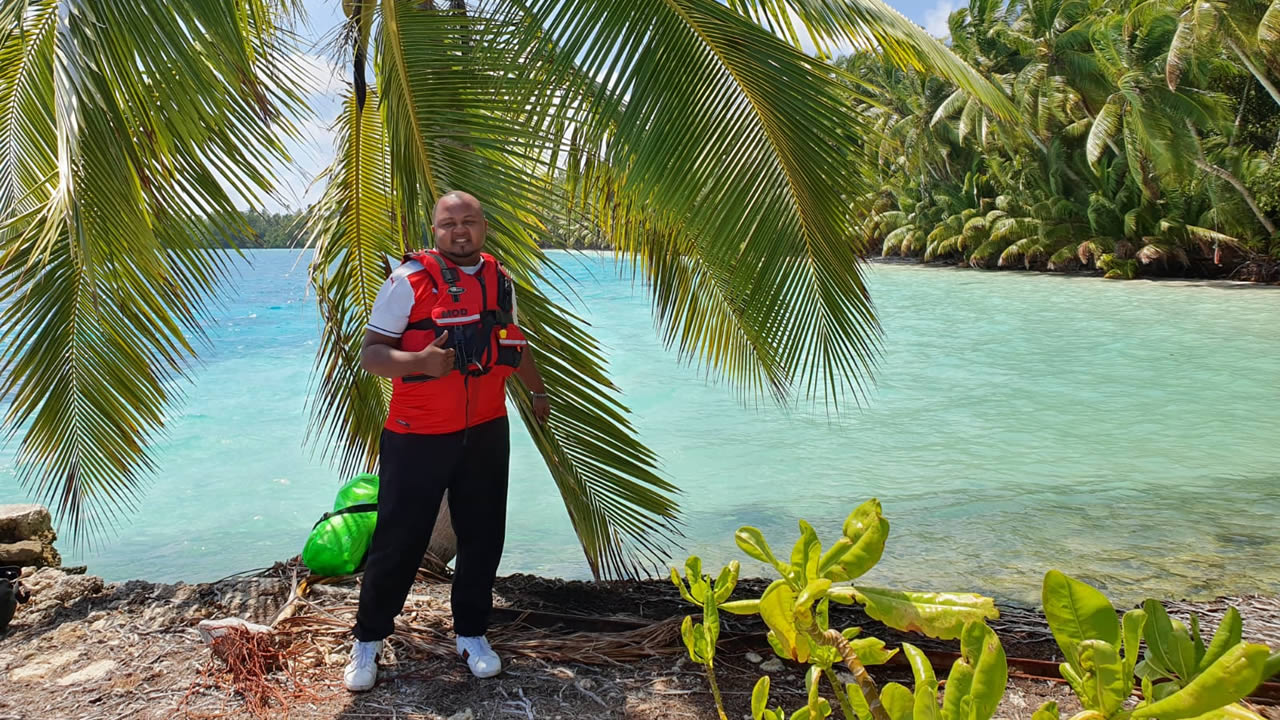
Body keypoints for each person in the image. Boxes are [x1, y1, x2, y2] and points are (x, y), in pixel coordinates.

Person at [343, 191, 551, 692]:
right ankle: (368, 641)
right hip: (416, 435)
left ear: (483, 226)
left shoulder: (501, 280)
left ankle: (472, 633)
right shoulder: (406, 281)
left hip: (484, 430)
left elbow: (511, 340)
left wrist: (537, 391)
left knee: (483, 536)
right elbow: (371, 354)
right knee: (399, 540)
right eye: (448, 223)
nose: (460, 230)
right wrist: (418, 363)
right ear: (434, 231)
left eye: (469, 221)